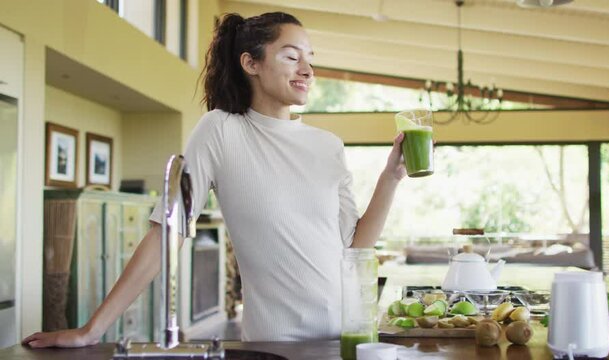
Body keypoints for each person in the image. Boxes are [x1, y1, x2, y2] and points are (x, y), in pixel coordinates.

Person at [22, 11, 406, 347]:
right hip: (276, 343)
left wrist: (390, 177)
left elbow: (354, 248)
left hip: (345, 337)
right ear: (250, 63)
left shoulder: (328, 146)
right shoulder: (221, 130)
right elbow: (166, 232)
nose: (307, 69)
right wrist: (92, 330)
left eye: (310, 58)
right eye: (291, 56)